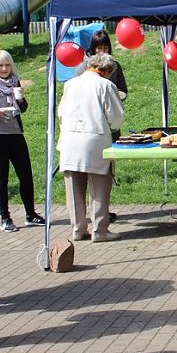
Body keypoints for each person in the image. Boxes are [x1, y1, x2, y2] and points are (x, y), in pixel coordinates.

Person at [0, 50, 46, 232]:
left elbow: (23, 108)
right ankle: (5, 218)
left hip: (15, 133)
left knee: (26, 175)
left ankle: (31, 214)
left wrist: (20, 99)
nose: (4, 68)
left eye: (7, 65)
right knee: (1, 178)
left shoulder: (15, 82)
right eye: (0, 65)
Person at [58, 53, 125, 242]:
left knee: (74, 188)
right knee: (100, 187)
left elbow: (61, 113)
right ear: (106, 71)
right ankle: (100, 230)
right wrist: (111, 127)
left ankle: (78, 229)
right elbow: (116, 117)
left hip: (70, 140)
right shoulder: (106, 85)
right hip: (95, 140)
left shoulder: (70, 84)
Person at [86, 29, 126, 223]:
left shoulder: (115, 66)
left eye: (105, 47)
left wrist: (116, 94)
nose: (102, 51)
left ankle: (104, 209)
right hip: (92, 127)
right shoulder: (83, 69)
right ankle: (94, 211)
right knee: (93, 171)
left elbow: (123, 90)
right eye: (98, 48)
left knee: (109, 170)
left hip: (111, 126)